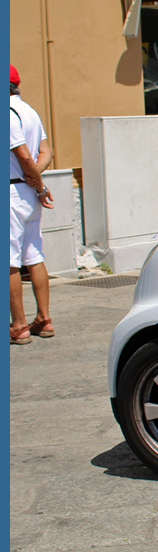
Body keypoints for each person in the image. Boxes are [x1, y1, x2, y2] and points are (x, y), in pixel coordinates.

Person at [10, 65, 54, 345]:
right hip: (27, 190)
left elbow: (24, 156)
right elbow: (46, 151)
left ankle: (19, 325)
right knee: (33, 255)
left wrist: (34, 180)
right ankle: (45, 319)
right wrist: (37, 184)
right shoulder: (28, 110)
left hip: (12, 191)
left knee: (9, 261)